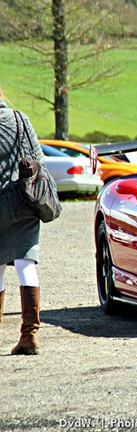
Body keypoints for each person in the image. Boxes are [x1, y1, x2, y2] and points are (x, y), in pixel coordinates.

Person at [0, 88, 46, 355]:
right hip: (23, 202)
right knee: (26, 263)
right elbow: (38, 161)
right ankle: (30, 336)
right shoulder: (20, 120)